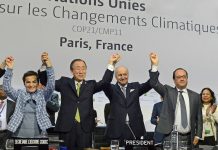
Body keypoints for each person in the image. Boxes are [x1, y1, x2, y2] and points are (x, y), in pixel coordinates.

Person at [38, 54, 120, 149]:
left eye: (83, 68)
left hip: (85, 128)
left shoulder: (91, 84)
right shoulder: (64, 82)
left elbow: (105, 82)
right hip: (66, 128)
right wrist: (44, 65)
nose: (81, 71)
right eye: (78, 68)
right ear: (71, 71)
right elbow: (45, 82)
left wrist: (111, 63)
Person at [149, 52, 203, 149]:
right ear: (174, 80)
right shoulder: (168, 91)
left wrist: (198, 135)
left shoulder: (195, 96)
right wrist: (154, 66)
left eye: (184, 77)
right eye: (178, 77)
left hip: (190, 138)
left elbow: (199, 118)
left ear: (187, 79)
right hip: (171, 136)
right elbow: (154, 83)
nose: (182, 79)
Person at [3, 52, 55, 138]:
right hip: (18, 135)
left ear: (38, 83)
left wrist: (49, 67)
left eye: (34, 82)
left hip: (39, 136)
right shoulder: (19, 94)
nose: (31, 85)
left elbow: (51, 86)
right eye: (28, 82)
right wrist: (9, 69)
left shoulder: (43, 95)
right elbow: (7, 88)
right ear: (24, 83)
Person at [103, 65, 152, 146]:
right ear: (115, 77)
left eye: (125, 74)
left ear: (128, 75)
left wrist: (154, 67)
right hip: (116, 131)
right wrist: (111, 65)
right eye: (120, 75)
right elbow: (104, 83)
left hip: (135, 130)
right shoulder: (111, 89)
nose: (123, 77)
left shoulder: (135, 86)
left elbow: (150, 84)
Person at [0, 84, 15, 150]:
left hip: (7, 134)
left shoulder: (13, 104)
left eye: (5, 90)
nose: (3, 91)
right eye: (1, 89)